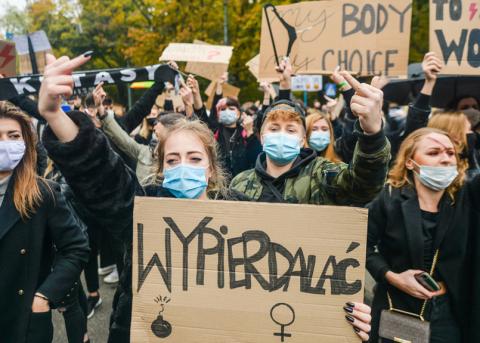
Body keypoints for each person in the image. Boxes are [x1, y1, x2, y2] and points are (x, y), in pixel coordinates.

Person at [38, 53, 373, 342]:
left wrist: (338, 315)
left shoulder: (245, 212)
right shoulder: (143, 212)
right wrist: (56, 115)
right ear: (161, 168)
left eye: (195, 159)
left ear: (211, 169)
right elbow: (104, 176)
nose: (183, 166)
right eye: (173, 160)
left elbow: (294, 278)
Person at [367, 127, 480, 342]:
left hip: (449, 311)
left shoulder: (467, 198)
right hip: (399, 307)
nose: (445, 159)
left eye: (450, 152)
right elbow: (362, 245)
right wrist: (393, 277)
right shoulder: (389, 198)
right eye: (433, 152)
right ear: (410, 162)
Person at [230, 71, 391, 207]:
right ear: (262, 137)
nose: (282, 134)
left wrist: (372, 134)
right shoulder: (240, 183)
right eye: (274, 128)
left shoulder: (321, 175)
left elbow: (362, 187)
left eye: (291, 129)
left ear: (302, 140)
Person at [0, 100, 89, 343]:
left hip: (23, 322)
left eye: (13, 135)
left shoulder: (44, 192)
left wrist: (43, 296)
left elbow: (76, 248)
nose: (5, 143)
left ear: (27, 143)